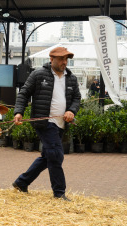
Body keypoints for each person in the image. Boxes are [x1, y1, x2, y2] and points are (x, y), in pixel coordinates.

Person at [12, 47, 81, 201]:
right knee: (56, 154)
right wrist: (19, 112)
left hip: (61, 123)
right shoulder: (38, 74)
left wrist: (71, 111)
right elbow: (24, 93)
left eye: (66, 59)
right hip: (44, 122)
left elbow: (77, 98)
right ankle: (59, 193)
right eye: (61, 59)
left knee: (48, 156)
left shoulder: (71, 78)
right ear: (51, 59)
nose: (64, 62)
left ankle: (21, 182)